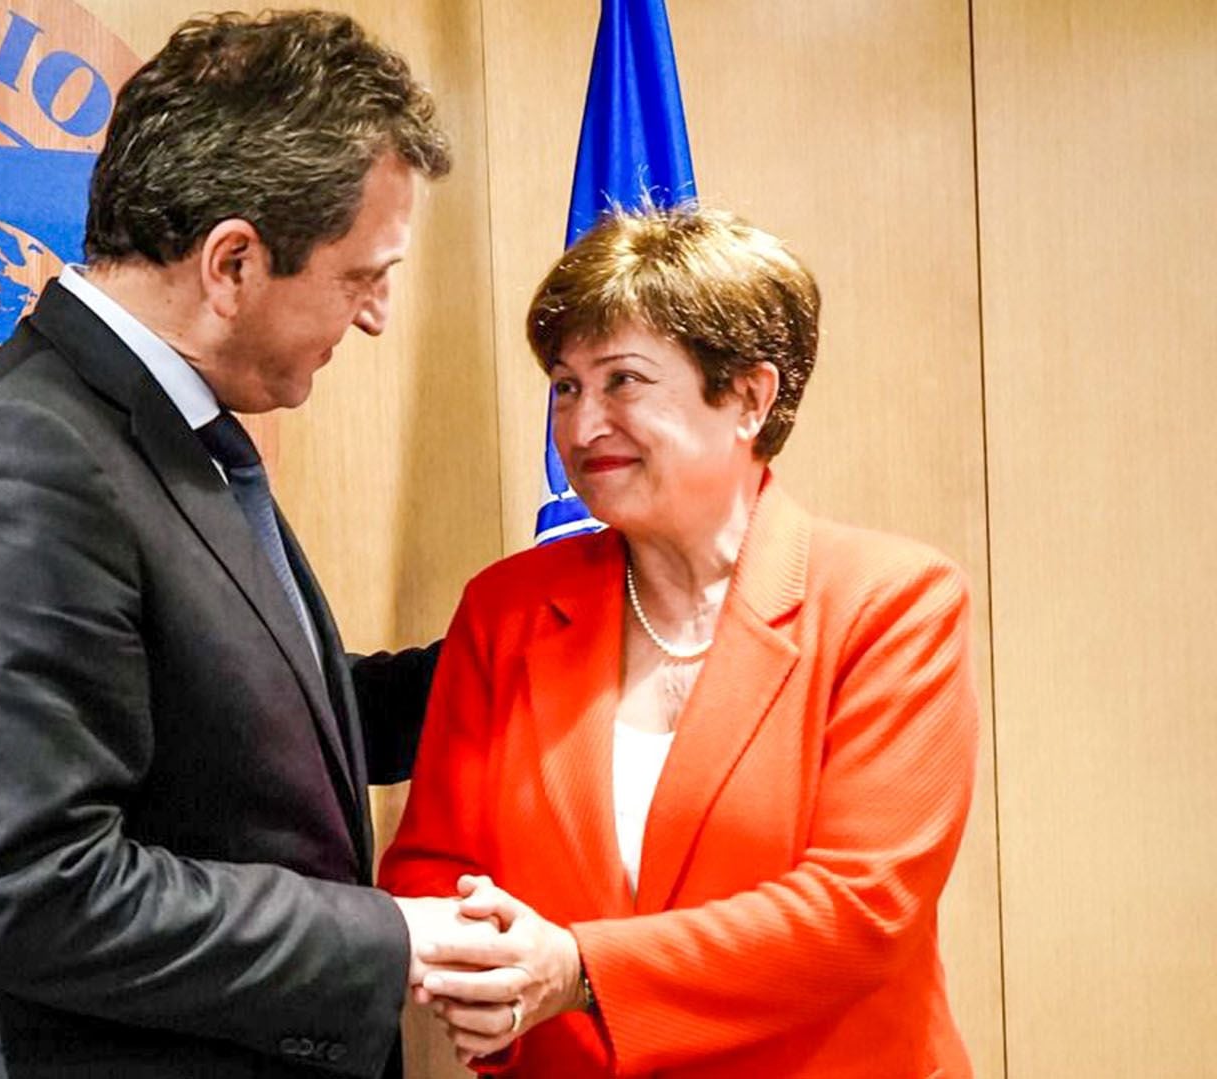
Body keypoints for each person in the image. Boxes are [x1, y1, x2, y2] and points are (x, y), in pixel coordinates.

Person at [0, 11, 482, 1079]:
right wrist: (397, 938)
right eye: (360, 275)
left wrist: (527, 661)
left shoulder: (158, 430)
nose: (376, 316)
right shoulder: (21, 454)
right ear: (232, 261)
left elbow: (255, 730)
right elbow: (40, 889)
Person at [379, 204, 980, 1077]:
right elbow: (431, 862)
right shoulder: (506, 608)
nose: (583, 428)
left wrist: (579, 971)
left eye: (622, 381)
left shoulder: (891, 603)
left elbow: (861, 910)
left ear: (748, 396)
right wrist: (494, 973)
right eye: (565, 385)